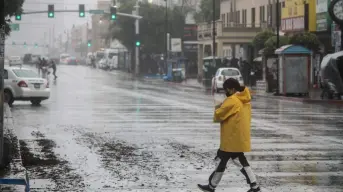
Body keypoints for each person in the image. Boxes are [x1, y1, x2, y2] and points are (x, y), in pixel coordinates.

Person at [198, 78, 260, 192]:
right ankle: (212, 185)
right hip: (234, 137)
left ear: (232, 89)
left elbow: (218, 115)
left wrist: (218, 104)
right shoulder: (241, 99)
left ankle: (254, 186)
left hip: (232, 139)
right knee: (225, 160)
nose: (225, 92)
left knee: (238, 161)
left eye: (226, 89)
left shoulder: (232, 100)